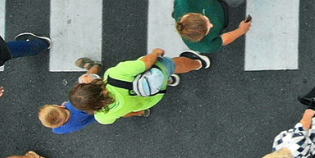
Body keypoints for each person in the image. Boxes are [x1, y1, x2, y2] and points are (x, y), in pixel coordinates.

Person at [70, 47, 211, 125]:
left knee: (159, 81)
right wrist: (155, 53)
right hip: (155, 71)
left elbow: (124, 114)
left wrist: (140, 112)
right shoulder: (114, 75)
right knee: (172, 65)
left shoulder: (102, 117)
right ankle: (198, 63)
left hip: (152, 96)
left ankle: (168, 81)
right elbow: (146, 63)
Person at [174, 0, 283, 54]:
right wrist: (241, 31)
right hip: (223, 20)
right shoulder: (202, 46)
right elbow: (224, 39)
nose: (211, 25)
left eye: (207, 21)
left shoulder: (182, 1)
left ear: (194, 14)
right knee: (236, 0)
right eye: (208, 29)